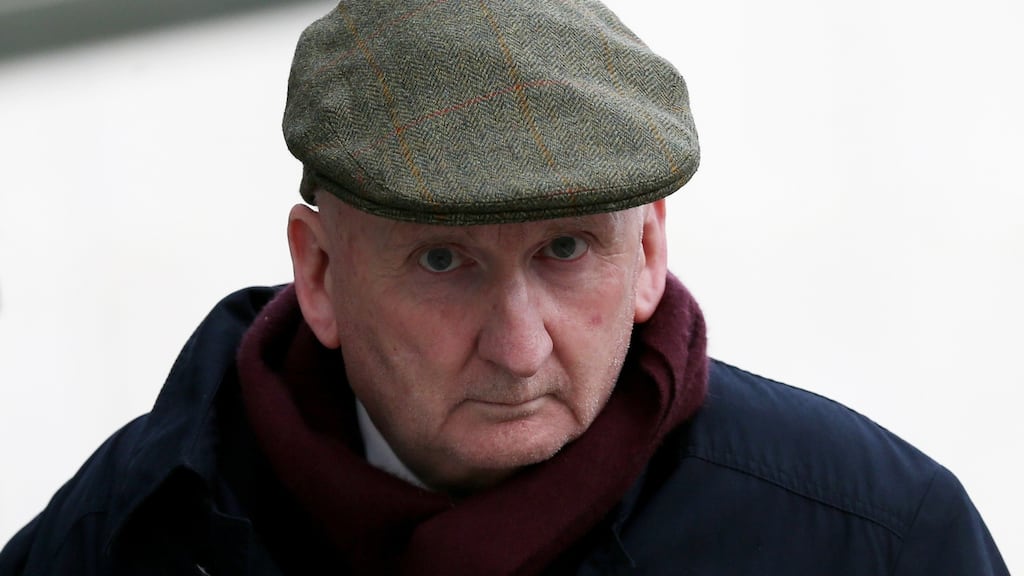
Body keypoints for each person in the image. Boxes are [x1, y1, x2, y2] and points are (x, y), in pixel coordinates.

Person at [0, 0, 1009, 574]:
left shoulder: (868, 543)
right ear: (318, 273)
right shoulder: (122, 540)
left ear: (650, 253)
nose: (519, 347)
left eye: (567, 251)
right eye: (444, 261)